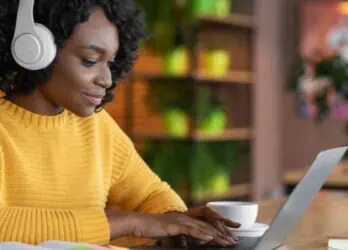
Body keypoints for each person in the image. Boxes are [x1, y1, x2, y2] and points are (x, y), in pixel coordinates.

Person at [0, 0, 240, 248]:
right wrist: (131, 223)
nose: (106, 79)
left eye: (111, 64)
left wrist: (175, 222)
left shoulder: (96, 126)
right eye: (91, 60)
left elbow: (150, 193)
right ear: (32, 50)